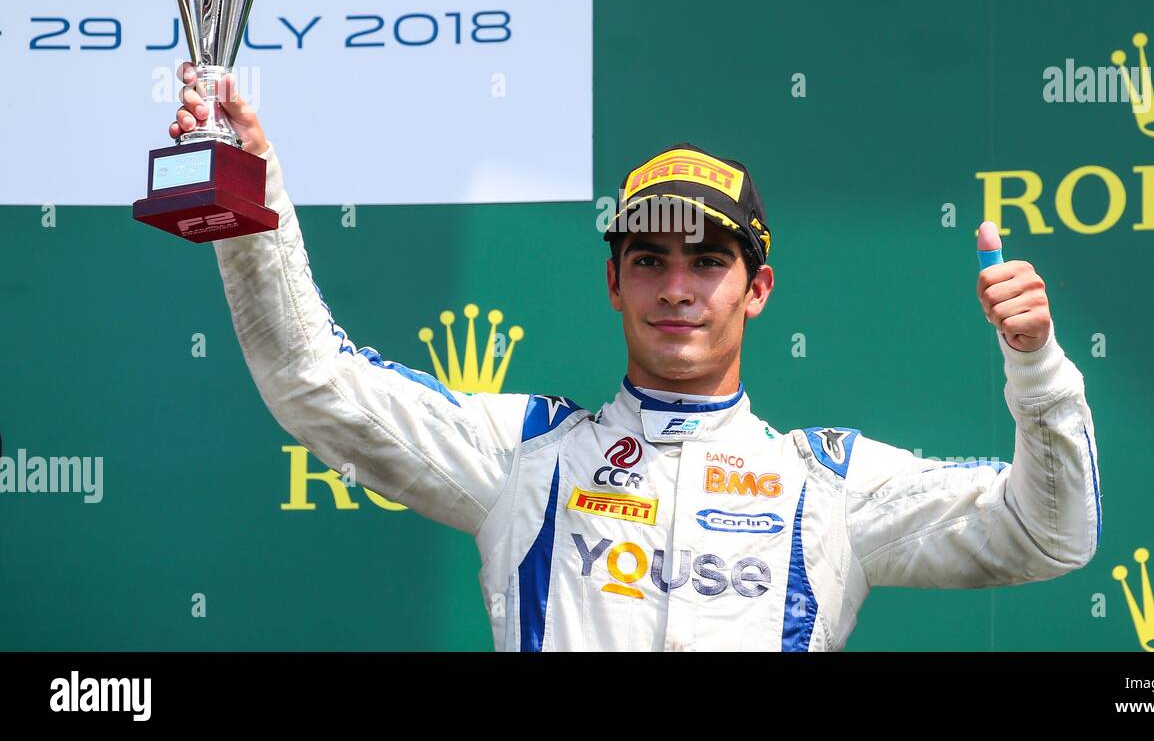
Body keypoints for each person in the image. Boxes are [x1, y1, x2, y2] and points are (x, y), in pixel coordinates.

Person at [176, 63, 1101, 652]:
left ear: (758, 288)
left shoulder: (826, 484)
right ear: (614, 283)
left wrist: (1038, 367)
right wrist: (254, 200)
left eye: (708, 262)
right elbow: (313, 383)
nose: (677, 289)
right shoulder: (524, 457)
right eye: (649, 261)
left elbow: (1049, 535)